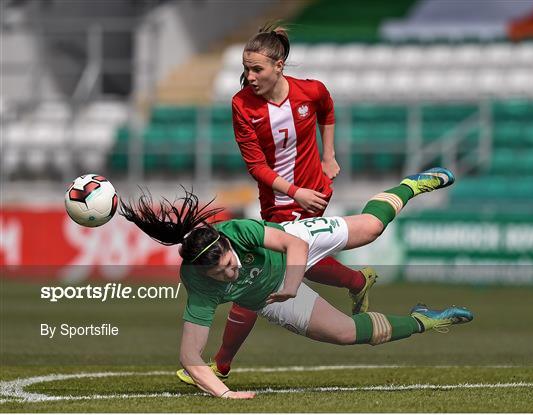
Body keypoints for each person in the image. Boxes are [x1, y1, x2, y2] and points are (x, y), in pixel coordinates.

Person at [120, 167, 473, 400]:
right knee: (347, 334)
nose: (229, 274)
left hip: (293, 241)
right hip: (271, 296)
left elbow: (296, 246)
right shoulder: (199, 284)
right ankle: (426, 319)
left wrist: (291, 282)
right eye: (221, 275)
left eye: (229, 265)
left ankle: (410, 186)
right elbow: (188, 356)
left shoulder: (239, 231)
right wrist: (224, 396)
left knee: (370, 229)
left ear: (227, 244)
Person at [199, 23, 377, 381]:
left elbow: (327, 109)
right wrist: (293, 191)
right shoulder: (242, 106)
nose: (249, 77)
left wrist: (329, 156)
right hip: (279, 199)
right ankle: (357, 280)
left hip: (310, 194)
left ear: (279, 65)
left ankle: (220, 366)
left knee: (256, 273)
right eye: (246, 69)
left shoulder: (309, 91)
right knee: (299, 260)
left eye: (257, 69)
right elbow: (256, 166)